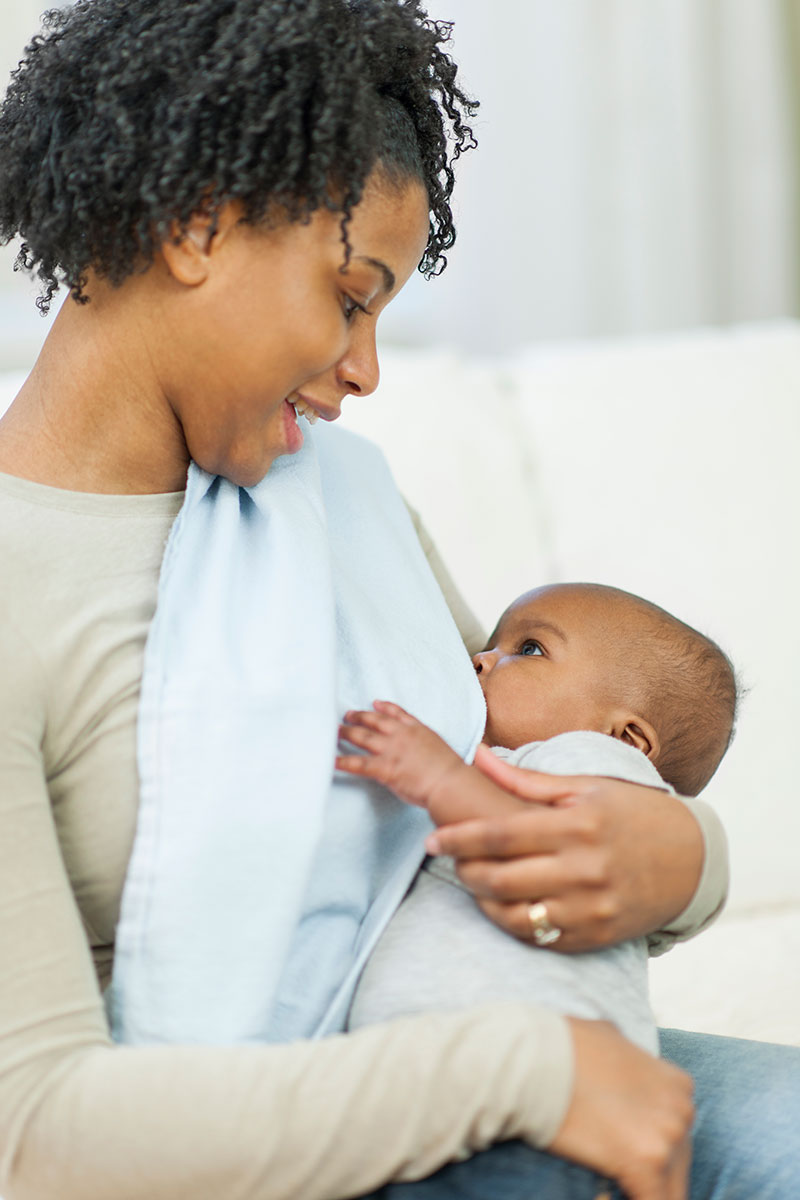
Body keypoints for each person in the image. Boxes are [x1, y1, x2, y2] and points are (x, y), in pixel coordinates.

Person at [0, 2, 797, 1199]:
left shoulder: (336, 500)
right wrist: (524, 1067)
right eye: (350, 294)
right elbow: (37, 1135)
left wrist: (685, 859)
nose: (366, 370)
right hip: (219, 1133)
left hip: (457, 1046)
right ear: (192, 226)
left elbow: (518, 759)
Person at [338, 581, 737, 1051]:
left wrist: (440, 779)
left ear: (626, 738)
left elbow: (535, 846)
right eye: (491, 645)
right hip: (450, 1069)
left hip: (547, 1061)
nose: (479, 659)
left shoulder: (598, 766)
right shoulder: (519, 760)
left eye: (528, 648)